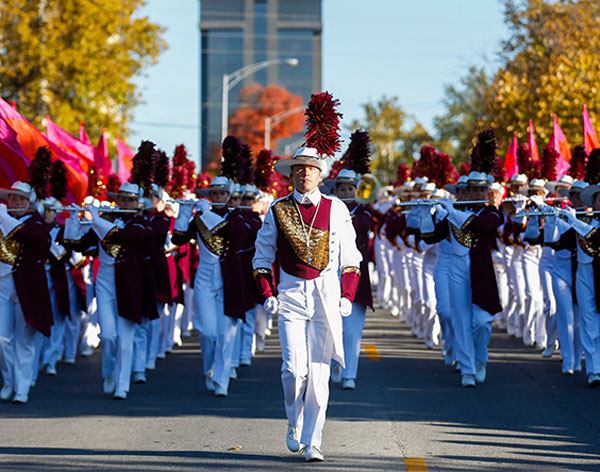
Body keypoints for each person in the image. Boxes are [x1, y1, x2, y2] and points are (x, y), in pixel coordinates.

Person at [253, 147, 362, 462]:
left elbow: (351, 257)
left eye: (311, 168)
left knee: (318, 374)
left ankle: (313, 441)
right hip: (290, 294)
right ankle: (293, 420)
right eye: (299, 168)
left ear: (321, 174)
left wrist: (347, 295)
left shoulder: (336, 207)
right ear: (291, 174)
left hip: (326, 296)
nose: (305, 174)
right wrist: (267, 294)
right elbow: (262, 257)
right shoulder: (277, 209)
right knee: (293, 371)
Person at [0, 181, 52, 404]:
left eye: (21, 199)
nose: (17, 202)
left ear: (29, 202)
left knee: (25, 340)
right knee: (2, 339)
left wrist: (3, 214)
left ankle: (22, 388)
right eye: (13, 198)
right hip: (2, 286)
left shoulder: (37, 224)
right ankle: (9, 380)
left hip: (27, 290)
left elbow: (24, 235)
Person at [330, 169, 374, 389]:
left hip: (355, 274)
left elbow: (362, 226)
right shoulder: (327, 210)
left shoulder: (364, 213)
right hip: (330, 273)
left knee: (352, 330)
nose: (347, 192)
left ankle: (350, 375)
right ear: (335, 191)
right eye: (342, 189)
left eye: (350, 189)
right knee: (331, 326)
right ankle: (335, 361)